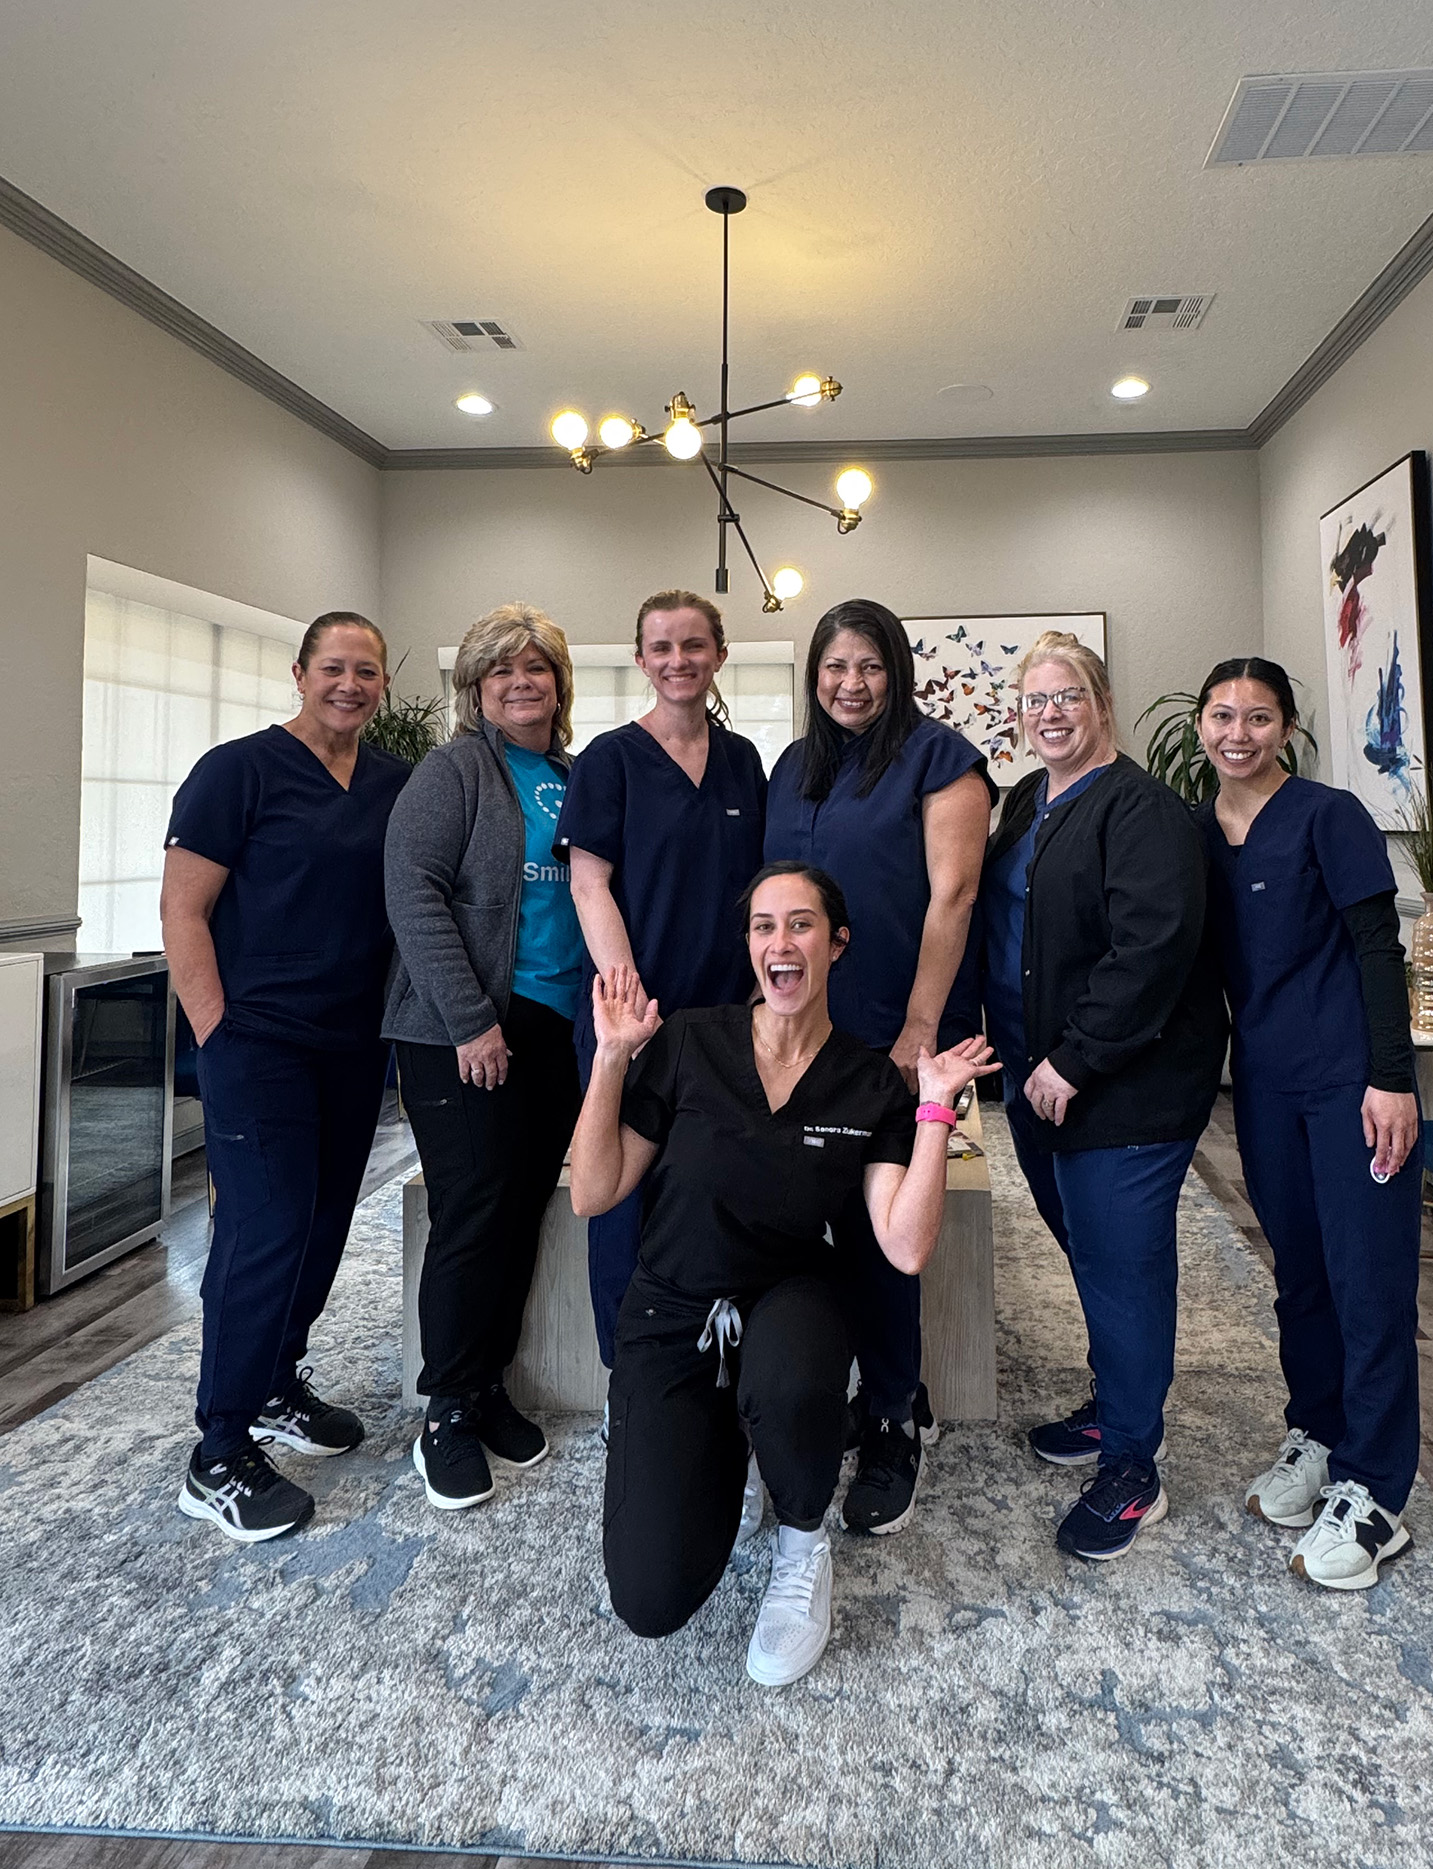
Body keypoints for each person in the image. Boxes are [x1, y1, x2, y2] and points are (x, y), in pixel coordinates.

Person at [572, 863, 998, 1685]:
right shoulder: (688, 1042)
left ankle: (803, 1537)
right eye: (764, 926)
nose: (781, 942)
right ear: (749, 948)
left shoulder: (867, 1080)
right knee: (650, 1600)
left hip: (791, 1297)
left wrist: (935, 1109)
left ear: (835, 944)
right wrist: (612, 1060)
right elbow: (594, 1192)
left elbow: (904, 1247)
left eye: (800, 924)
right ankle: (729, 1448)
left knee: (794, 1377)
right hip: (672, 1307)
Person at [980, 631, 1227, 1562]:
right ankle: (1117, 1403)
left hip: (1118, 1092)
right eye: (1035, 699)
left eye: (1067, 696)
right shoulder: (1021, 806)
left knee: (1123, 1274)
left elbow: (1149, 954)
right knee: (1086, 1256)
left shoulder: (1143, 811)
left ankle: (1133, 1465)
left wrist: (1074, 1061)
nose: (1050, 713)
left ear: (1101, 702)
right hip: (1037, 1086)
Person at [162, 611, 409, 1543]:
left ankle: (274, 1384)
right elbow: (184, 912)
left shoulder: (392, 783)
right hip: (258, 1043)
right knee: (261, 1231)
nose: (350, 685)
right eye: (334, 668)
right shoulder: (238, 771)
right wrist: (217, 1033)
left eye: (367, 672)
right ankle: (217, 1448)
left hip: (352, 1046)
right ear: (300, 673)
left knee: (321, 1224)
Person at [764, 598, 992, 1535]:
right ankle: (850, 1386)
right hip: (803, 1030)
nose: (849, 683)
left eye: (867, 665)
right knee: (807, 1222)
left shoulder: (941, 758)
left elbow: (955, 893)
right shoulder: (793, 765)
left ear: (894, 669)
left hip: (897, 1030)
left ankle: (896, 1411)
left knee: (884, 1224)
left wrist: (918, 1028)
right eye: (833, 667)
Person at [1195, 656, 1421, 1591]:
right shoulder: (1196, 832)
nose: (1235, 734)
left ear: (1285, 728)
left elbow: (1377, 947)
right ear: (1200, 723)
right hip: (1263, 1085)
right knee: (1298, 1276)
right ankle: (1319, 1434)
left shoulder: (1330, 816)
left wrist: (1391, 1080)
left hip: (1348, 1085)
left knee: (1365, 1280)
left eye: (1256, 717)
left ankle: (1376, 1490)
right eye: (1220, 716)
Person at [384, 603, 586, 1512]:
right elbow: (413, 893)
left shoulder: (571, 775)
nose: (519, 683)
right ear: (473, 689)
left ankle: (488, 1381)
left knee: (519, 1214)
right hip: (461, 1031)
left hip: (554, 1028)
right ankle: (447, 1411)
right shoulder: (455, 770)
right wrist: (471, 1021)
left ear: (558, 682)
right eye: (499, 671)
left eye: (535, 668)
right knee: (471, 1213)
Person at [554, 589, 767, 1373]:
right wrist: (625, 1007)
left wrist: (758, 996)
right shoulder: (609, 760)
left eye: (693, 645)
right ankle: (631, 1377)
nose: (678, 661)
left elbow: (759, 895)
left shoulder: (742, 760)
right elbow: (588, 885)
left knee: (713, 1188)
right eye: (662, 648)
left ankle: (708, 1358)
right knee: (620, 1197)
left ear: (718, 653)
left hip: (725, 1021)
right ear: (641, 660)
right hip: (631, 1023)